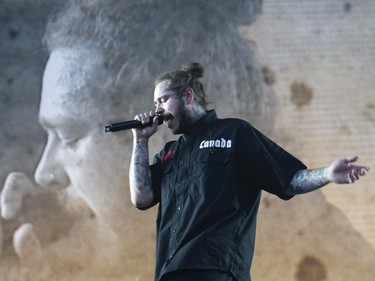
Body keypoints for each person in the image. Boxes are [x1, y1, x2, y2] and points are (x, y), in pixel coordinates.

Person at [129, 62, 370, 281]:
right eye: (155, 104)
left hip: (216, 269)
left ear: (188, 96)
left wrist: (327, 174)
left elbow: (288, 180)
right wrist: (140, 140)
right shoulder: (171, 153)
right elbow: (141, 197)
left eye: (162, 100)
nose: (157, 110)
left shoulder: (235, 133)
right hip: (169, 272)